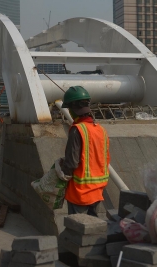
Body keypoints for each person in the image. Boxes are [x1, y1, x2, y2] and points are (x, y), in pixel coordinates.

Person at [60, 86, 110, 217]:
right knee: (92, 230)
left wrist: (61, 175)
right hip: (97, 191)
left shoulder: (77, 130)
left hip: (80, 192)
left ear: (72, 110)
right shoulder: (101, 130)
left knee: (77, 230)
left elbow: (71, 162)